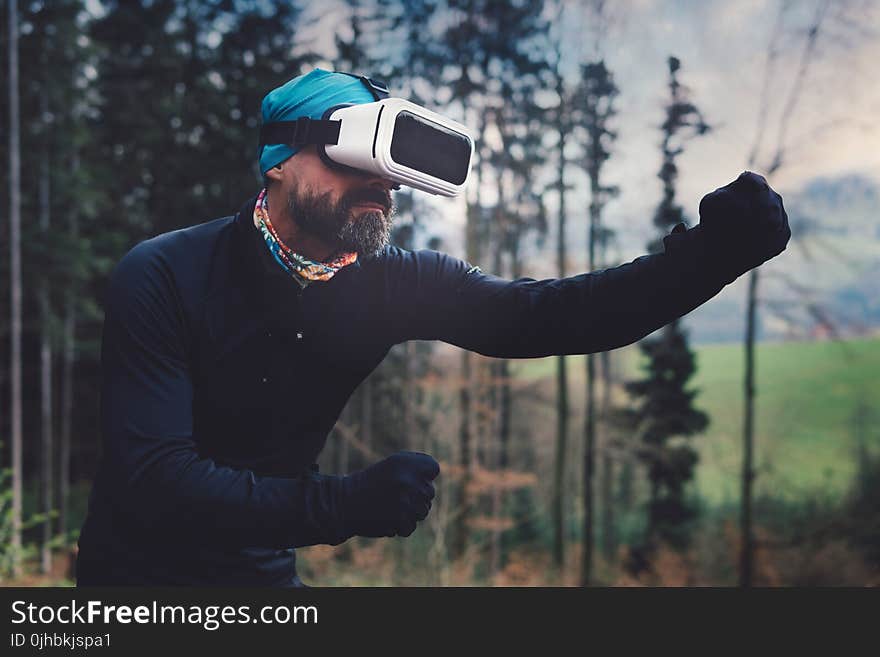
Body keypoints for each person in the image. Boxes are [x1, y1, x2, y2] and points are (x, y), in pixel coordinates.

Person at [75, 68, 790, 586]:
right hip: (134, 585)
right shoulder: (165, 273)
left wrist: (707, 261)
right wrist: (341, 503)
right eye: (356, 158)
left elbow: (549, 316)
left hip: (264, 579)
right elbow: (157, 478)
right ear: (279, 164)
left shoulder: (391, 284)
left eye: (392, 172)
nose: (384, 186)